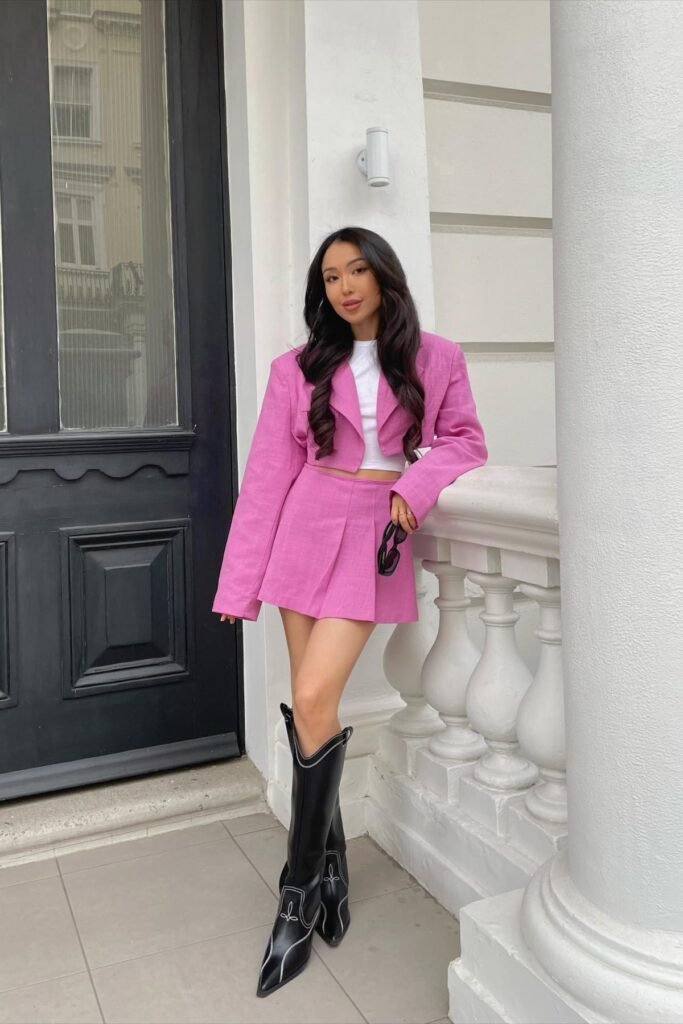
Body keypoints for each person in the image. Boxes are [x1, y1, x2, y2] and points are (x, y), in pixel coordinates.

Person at [213, 225, 488, 997]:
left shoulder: (436, 357)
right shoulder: (296, 368)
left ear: (382, 276)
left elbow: (464, 442)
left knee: (311, 697)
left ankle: (295, 895)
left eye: (356, 270)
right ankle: (326, 867)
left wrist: (414, 486)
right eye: (330, 276)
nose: (344, 286)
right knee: (313, 706)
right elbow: (266, 478)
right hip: (302, 527)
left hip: (371, 532)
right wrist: (239, 584)